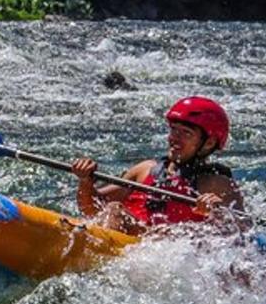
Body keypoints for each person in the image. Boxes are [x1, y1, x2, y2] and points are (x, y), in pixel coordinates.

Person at [70, 96, 244, 235]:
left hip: (167, 250)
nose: (174, 138)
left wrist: (216, 214)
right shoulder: (145, 170)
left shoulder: (217, 184)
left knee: (115, 210)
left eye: (186, 133)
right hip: (133, 241)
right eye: (174, 129)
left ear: (208, 143)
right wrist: (85, 181)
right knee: (113, 209)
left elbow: (242, 231)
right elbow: (92, 209)